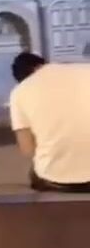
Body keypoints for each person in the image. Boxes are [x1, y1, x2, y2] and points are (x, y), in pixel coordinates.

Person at [9, 51, 90, 191]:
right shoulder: (85, 70)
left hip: (57, 180)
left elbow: (27, 149)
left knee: (37, 171)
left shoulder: (19, 92)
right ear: (42, 64)